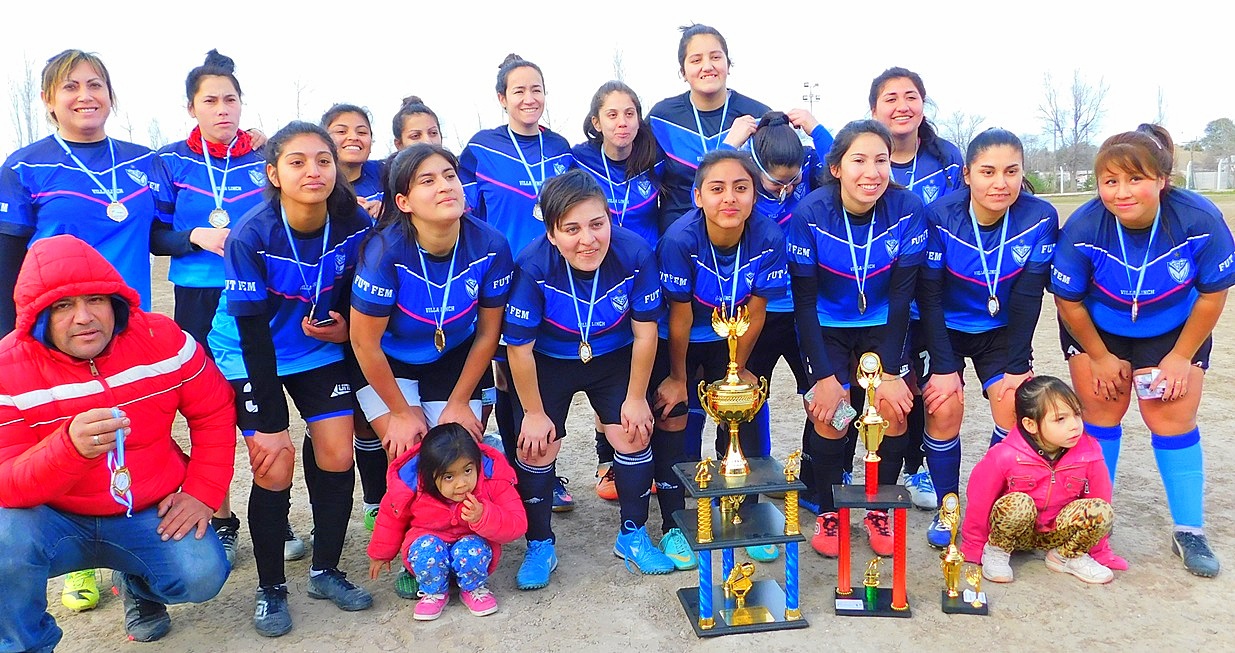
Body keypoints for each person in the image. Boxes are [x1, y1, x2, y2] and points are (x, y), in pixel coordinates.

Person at [0, 234, 235, 650]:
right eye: (62, 306)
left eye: (96, 299)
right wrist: (67, 449)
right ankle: (25, 644)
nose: (84, 317)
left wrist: (202, 492)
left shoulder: (162, 338)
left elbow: (214, 410)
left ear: (116, 302)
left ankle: (140, 588)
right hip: (56, 519)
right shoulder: (9, 368)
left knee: (202, 574)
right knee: (4, 537)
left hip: (145, 509)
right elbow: (6, 481)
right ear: (37, 316)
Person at [0, 48, 158, 613]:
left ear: (111, 94)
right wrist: (12, 341)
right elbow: (7, 256)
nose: (86, 95)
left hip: (125, 330)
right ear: (48, 100)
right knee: (69, 444)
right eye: (70, 87)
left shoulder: (143, 160)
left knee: (141, 441)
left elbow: (169, 225)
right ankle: (81, 565)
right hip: (56, 337)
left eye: (96, 84)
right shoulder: (24, 167)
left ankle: (139, 579)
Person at [207, 121, 373, 636]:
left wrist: (344, 328)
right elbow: (253, 333)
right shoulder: (252, 234)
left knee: (337, 454)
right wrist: (272, 422)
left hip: (314, 350)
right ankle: (271, 587)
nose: (313, 171)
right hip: (248, 352)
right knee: (273, 465)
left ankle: (325, 569)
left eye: (323, 160)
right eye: (297, 161)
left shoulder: (354, 225)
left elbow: (356, 295)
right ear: (273, 172)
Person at [1052, 124, 1234, 578]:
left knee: (1169, 419)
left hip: (1172, 330)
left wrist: (1179, 356)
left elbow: (1212, 294)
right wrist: (1098, 357)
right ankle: (1093, 526)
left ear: (1161, 180)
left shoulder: (1198, 219)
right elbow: (1067, 301)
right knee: (1100, 418)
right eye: (1110, 181)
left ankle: (1189, 530)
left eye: (1135, 179)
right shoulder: (1084, 225)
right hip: (1098, 329)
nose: (1122, 191)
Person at [350, 143, 512, 594]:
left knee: (458, 445)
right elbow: (364, 343)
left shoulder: (490, 244)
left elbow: (487, 334)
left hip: (456, 356)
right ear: (403, 202)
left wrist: (460, 402)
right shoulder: (384, 251)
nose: (445, 186)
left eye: (449, 175)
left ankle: (466, 539)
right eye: (428, 180)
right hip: (391, 359)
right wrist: (402, 413)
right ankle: (416, 548)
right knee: (409, 449)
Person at [504, 170, 675, 588]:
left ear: (610, 219)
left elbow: (645, 332)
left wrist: (636, 397)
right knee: (536, 444)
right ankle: (539, 543)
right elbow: (518, 348)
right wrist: (532, 412)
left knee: (634, 432)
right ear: (551, 233)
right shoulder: (531, 263)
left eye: (597, 224)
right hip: (549, 360)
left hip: (613, 356)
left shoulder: (634, 253)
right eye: (572, 229)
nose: (588, 239)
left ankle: (632, 536)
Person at [148, 49, 266, 565]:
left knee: (261, 408)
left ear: (242, 104)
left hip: (259, 293)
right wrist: (193, 235)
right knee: (205, 407)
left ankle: (272, 520)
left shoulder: (266, 157)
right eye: (210, 100)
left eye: (231, 99)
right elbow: (152, 232)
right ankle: (219, 516)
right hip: (198, 297)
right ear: (191, 107)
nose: (223, 109)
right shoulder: (169, 161)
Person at [787, 120, 925, 559]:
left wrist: (886, 370)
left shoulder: (907, 208)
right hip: (826, 325)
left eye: (881, 161)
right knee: (832, 414)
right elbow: (804, 303)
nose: (872, 172)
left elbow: (903, 295)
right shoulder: (811, 212)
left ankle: (878, 506)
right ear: (836, 168)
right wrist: (824, 376)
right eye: (859, 161)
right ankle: (830, 510)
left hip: (884, 323)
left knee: (892, 410)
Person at [913, 128, 1058, 548]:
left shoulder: (1040, 217)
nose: (1000, 183)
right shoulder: (941, 215)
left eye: (1011, 171)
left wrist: (1017, 365)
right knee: (943, 407)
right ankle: (948, 507)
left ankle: (989, 504)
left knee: (1015, 405)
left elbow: (1030, 296)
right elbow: (931, 296)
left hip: (1000, 331)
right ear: (967, 174)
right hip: (941, 329)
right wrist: (942, 367)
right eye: (988, 172)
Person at [652, 150, 788, 568]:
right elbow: (679, 315)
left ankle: (744, 513)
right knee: (675, 415)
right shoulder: (679, 239)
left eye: (741, 188)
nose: (729, 198)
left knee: (743, 409)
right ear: (698, 197)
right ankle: (677, 523)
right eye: (717, 188)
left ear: (753, 196)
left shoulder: (768, 235)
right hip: (681, 334)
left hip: (734, 335)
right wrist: (677, 376)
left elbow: (759, 309)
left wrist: (739, 367)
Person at [459, 53, 575, 512]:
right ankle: (514, 473)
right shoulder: (481, 148)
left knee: (543, 375)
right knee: (506, 377)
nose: (529, 98)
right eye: (519, 91)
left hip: (556, 276)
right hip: (504, 279)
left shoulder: (562, 147)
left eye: (537, 89)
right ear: (502, 98)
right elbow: (466, 214)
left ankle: (541, 471)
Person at [723, 109, 832, 518]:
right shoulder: (743, 194)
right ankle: (750, 489)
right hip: (755, 312)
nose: (786, 188)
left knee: (821, 400)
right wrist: (730, 143)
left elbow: (843, 161)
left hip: (806, 312)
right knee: (744, 398)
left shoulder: (809, 184)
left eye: (793, 180)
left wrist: (816, 128)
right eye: (776, 181)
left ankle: (814, 485)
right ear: (753, 168)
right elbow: (707, 179)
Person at [868, 66, 967, 510]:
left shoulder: (948, 158)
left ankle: (923, 468)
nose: (901, 106)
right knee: (883, 386)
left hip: (933, 291)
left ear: (923, 105)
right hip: (880, 292)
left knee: (931, 383)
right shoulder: (865, 157)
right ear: (873, 110)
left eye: (910, 96)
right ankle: (872, 468)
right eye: (890, 98)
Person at [571, 80, 664, 500]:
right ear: (596, 122)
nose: (622, 122)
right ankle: (607, 462)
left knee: (641, 364)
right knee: (607, 362)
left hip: (643, 273)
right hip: (599, 275)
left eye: (630, 113)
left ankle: (649, 461)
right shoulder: (578, 162)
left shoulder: (654, 159)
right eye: (612, 114)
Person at [960, 376, 1121, 585]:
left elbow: (1100, 496)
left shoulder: (1090, 453)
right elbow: (980, 501)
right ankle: (997, 551)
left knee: (1101, 510)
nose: (1074, 426)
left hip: (1057, 532)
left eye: (1077, 415)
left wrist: (1100, 551)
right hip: (1015, 532)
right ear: (1030, 424)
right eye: (1060, 419)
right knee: (1017, 503)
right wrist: (974, 545)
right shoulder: (1005, 455)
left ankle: (1066, 556)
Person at [368, 423, 526, 620]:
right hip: (429, 549)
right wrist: (381, 553)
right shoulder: (411, 486)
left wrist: (484, 515)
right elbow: (391, 517)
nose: (461, 483)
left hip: (472, 552)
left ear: (477, 463)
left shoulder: (492, 480)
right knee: (427, 548)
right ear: (429, 475)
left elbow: (517, 523)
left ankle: (473, 588)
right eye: (449, 476)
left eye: (468, 471)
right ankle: (433, 592)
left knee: (471, 548)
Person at [648, 23, 770, 230]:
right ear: (683, 71)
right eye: (696, 60)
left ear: (728, 64)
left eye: (715, 57)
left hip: (742, 235)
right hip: (679, 238)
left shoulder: (758, 116)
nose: (707, 66)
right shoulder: (662, 118)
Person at [323, 103, 384, 218]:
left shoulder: (385, 174)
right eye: (341, 131)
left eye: (362, 132)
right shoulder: (316, 184)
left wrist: (388, 213)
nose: (353, 137)